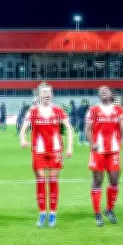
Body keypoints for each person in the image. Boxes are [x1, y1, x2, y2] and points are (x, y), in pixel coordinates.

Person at [20, 83, 73, 228]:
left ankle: (53, 213)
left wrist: (69, 147)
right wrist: (23, 139)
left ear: (52, 94)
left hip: (55, 151)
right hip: (39, 151)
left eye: (49, 92)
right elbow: (24, 127)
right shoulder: (33, 111)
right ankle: (42, 213)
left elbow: (69, 128)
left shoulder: (58, 110)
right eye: (44, 92)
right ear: (39, 94)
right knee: (41, 182)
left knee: (53, 181)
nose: (47, 94)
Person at [85, 86, 123, 226]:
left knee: (114, 180)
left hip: (114, 149)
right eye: (100, 91)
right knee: (97, 180)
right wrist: (92, 143)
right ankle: (97, 213)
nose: (103, 92)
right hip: (98, 150)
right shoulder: (93, 110)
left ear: (110, 94)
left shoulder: (118, 109)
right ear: (98, 95)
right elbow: (87, 129)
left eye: (106, 90)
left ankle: (109, 210)